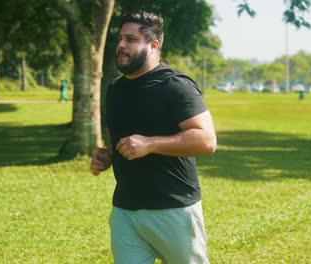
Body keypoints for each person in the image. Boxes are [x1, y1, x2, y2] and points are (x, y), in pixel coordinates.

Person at [90, 10, 217, 264]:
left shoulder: (175, 85)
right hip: (126, 211)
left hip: (173, 209)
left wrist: (151, 144)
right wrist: (108, 156)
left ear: (154, 45)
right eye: (120, 39)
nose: (121, 45)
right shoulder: (115, 90)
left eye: (131, 39)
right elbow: (123, 141)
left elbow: (206, 140)